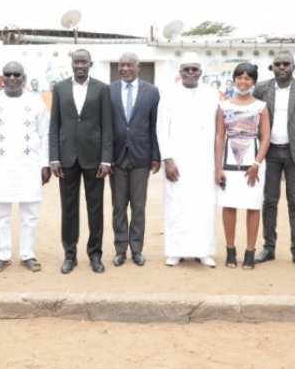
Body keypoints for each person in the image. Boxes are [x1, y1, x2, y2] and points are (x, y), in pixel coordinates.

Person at [0, 61, 50, 273]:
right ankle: (3, 255)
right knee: (0, 214)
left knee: (30, 215)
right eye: (7, 74)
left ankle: (27, 255)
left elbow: (45, 135)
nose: (12, 78)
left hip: (30, 166)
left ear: (23, 78)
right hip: (0, 166)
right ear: (2, 79)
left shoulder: (36, 102)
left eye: (16, 74)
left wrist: (45, 164)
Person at [253, 51, 295, 270]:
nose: (281, 67)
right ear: (272, 68)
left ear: (294, 67)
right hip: (270, 153)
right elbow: (255, 118)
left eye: (286, 64)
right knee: (270, 201)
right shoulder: (262, 89)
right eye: (277, 64)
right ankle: (269, 247)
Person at [49, 49, 113, 274]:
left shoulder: (102, 89)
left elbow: (107, 126)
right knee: (69, 209)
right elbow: (54, 124)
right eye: (76, 61)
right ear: (71, 63)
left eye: (83, 62)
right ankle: (70, 255)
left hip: (94, 159)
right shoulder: (59, 88)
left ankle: (95, 254)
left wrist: (106, 159)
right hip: (66, 158)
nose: (79, 66)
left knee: (95, 209)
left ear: (90, 64)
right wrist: (54, 157)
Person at [156, 52, 221, 268]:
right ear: (180, 72)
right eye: (186, 69)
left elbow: (219, 130)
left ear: (201, 72)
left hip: (205, 161)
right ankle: (176, 251)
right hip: (178, 161)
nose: (191, 72)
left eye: (194, 69)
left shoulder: (212, 94)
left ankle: (203, 251)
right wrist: (168, 159)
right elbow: (161, 127)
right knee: (177, 205)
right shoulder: (169, 94)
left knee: (204, 206)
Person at [216, 63, 271, 270]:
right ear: (234, 80)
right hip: (229, 161)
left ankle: (250, 251)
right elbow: (219, 137)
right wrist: (217, 168)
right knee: (228, 204)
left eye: (247, 78)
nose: (243, 82)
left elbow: (265, 137)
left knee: (253, 205)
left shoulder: (261, 106)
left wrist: (257, 163)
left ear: (254, 81)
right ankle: (230, 250)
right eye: (239, 78)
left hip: (254, 163)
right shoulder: (223, 106)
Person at [108, 52, 160, 267]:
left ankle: (137, 249)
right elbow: (105, 126)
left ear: (138, 67)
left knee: (138, 206)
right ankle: (120, 249)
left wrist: (156, 155)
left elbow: (155, 126)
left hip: (141, 157)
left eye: (130, 65)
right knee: (118, 206)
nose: (126, 69)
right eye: (121, 65)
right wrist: (105, 157)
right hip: (116, 157)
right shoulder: (108, 90)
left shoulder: (152, 92)